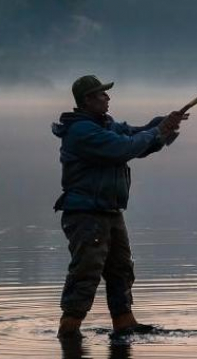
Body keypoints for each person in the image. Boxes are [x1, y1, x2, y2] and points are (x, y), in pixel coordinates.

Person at [52, 75, 186, 339]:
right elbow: (123, 148)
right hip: (86, 214)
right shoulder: (82, 132)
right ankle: (69, 330)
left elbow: (135, 136)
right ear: (88, 100)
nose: (108, 98)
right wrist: (157, 132)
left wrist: (163, 126)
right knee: (86, 272)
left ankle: (125, 324)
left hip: (109, 211)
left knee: (121, 269)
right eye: (102, 94)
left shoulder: (105, 125)